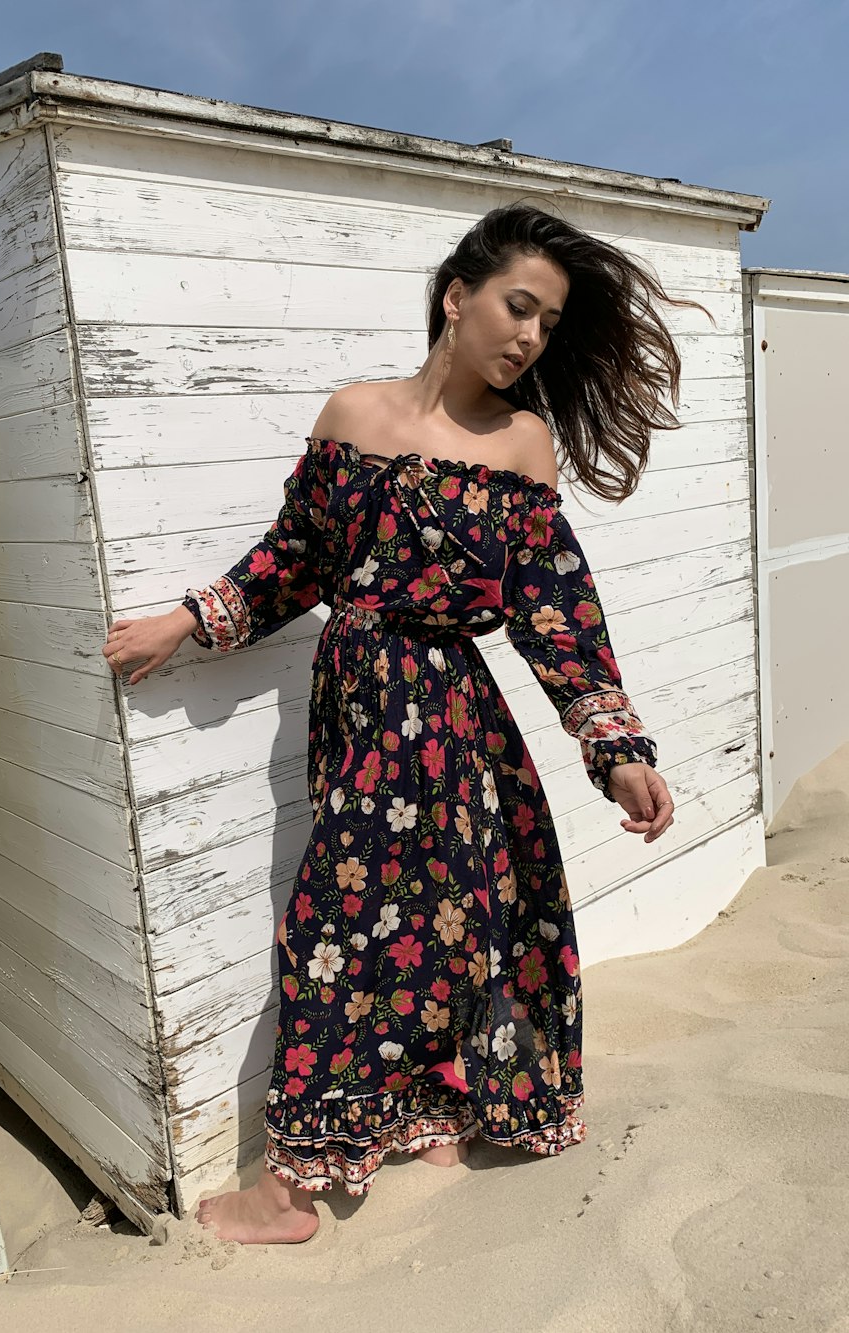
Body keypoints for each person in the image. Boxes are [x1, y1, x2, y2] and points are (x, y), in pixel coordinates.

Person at [102, 202, 684, 1245]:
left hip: (458, 721)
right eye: (516, 306)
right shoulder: (352, 417)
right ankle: (344, 1153)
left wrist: (618, 750)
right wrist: (185, 623)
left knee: (457, 924)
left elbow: (558, 617)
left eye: (546, 323)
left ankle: (326, 1176)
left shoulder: (524, 447)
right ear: (456, 295)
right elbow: (292, 560)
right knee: (352, 925)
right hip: (365, 708)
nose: (527, 336)